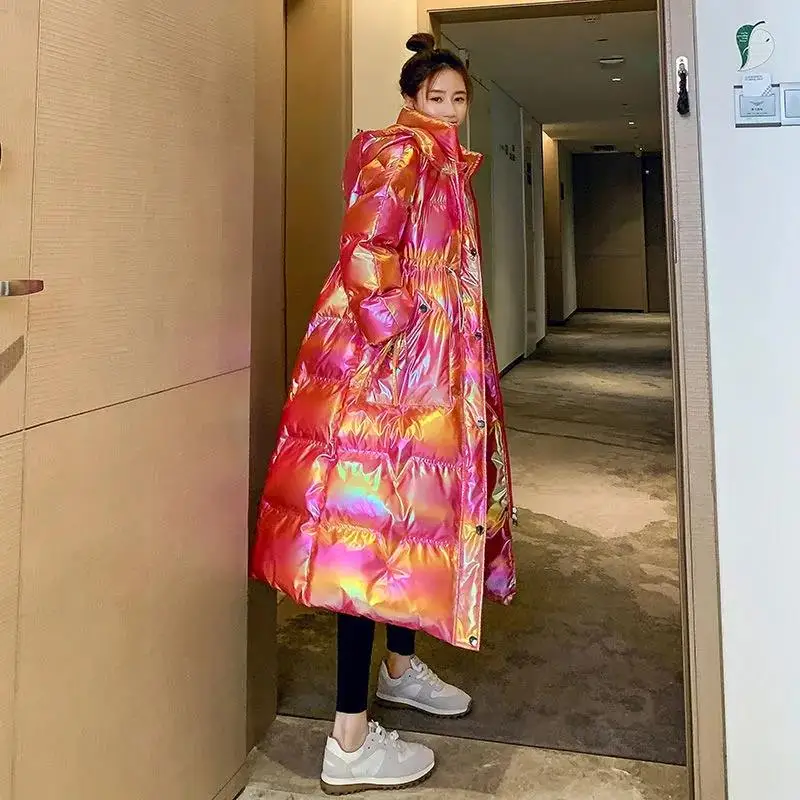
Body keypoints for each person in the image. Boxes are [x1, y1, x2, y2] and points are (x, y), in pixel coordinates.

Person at [250, 32, 517, 795]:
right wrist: (401, 341)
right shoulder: (402, 151)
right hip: (390, 373)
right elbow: (367, 249)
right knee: (366, 534)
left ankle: (399, 667)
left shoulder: (444, 164)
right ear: (410, 99)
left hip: (423, 369)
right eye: (437, 97)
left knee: (408, 521)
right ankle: (349, 739)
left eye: (459, 99)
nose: (450, 110)